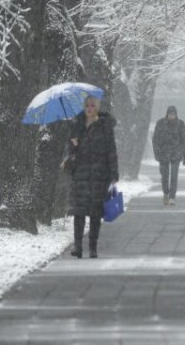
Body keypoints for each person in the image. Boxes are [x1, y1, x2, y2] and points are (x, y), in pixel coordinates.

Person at [63, 95, 118, 259]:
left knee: (95, 213)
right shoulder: (77, 125)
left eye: (92, 105)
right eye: (87, 105)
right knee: (79, 212)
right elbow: (70, 152)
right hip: (80, 173)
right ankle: (78, 246)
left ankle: (93, 247)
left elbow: (111, 150)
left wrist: (114, 173)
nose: (89, 108)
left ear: (98, 107)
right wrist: (72, 145)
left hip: (99, 174)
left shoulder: (104, 126)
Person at [152, 105, 185, 206]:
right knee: (164, 176)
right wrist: (157, 152)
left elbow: (184, 140)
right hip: (163, 153)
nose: (172, 116)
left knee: (174, 176)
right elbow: (155, 139)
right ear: (167, 114)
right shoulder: (160, 123)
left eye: (173, 114)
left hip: (176, 153)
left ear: (176, 114)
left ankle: (172, 197)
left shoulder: (180, 124)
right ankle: (166, 193)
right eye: (170, 114)